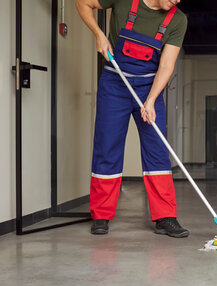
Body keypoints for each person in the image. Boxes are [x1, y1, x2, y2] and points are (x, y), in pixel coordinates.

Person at [76, 0, 189, 237]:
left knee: (157, 149)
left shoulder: (178, 20)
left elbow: (167, 65)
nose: (177, 0)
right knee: (107, 146)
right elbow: (82, 3)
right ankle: (101, 215)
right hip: (115, 83)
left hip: (150, 87)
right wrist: (98, 34)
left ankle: (165, 217)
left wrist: (150, 100)